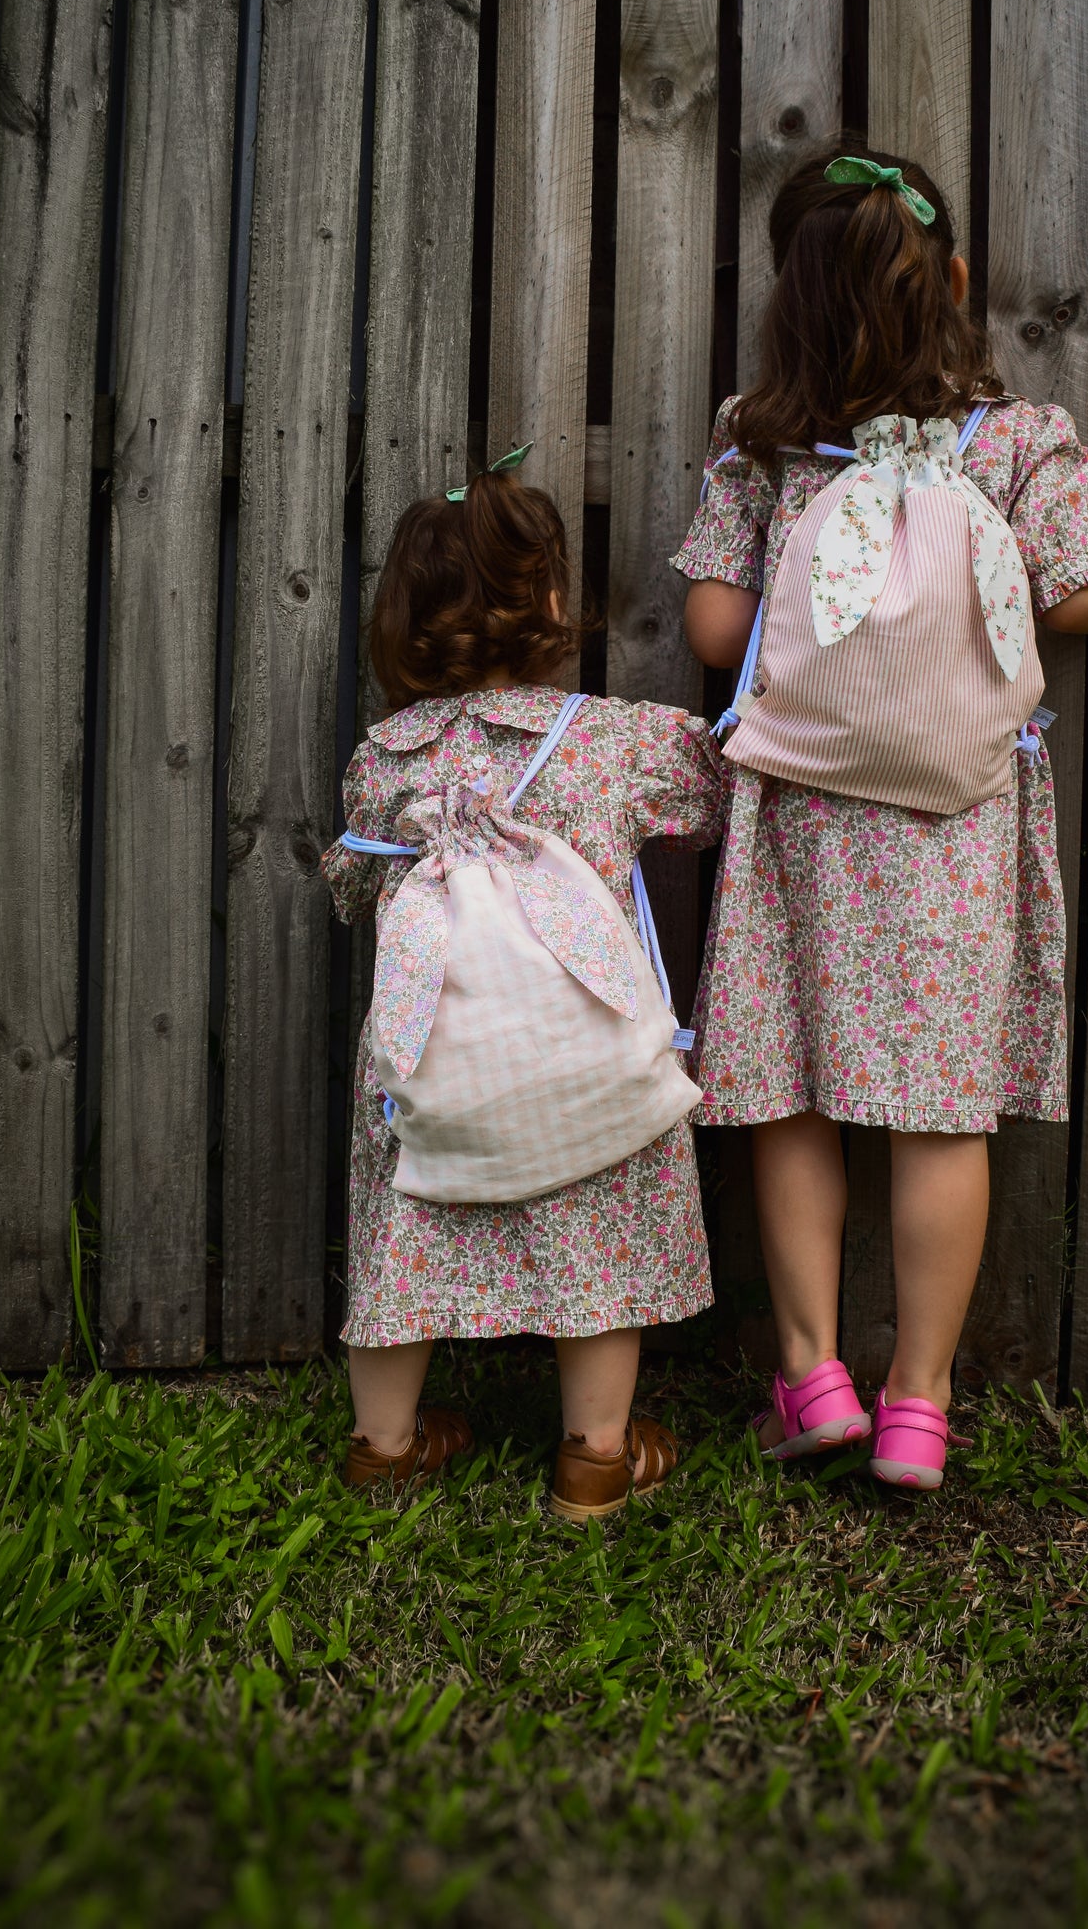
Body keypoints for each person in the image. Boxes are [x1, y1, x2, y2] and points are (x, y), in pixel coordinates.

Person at [672, 144, 1088, 1490]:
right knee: (942, 1118)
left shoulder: (763, 446)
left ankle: (813, 1373)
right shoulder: (1017, 443)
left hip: (803, 826)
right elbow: (1076, 600)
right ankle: (919, 1406)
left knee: (791, 1103)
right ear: (951, 283)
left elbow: (716, 626)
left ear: (792, 305)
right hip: (953, 824)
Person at [323, 466, 725, 1519]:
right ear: (549, 601)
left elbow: (355, 883)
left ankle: (384, 1442)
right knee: (597, 1199)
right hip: (573, 1052)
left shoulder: (382, 759)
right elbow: (714, 794)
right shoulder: (612, 739)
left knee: (403, 1211)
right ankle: (594, 1453)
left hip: (440, 1056)